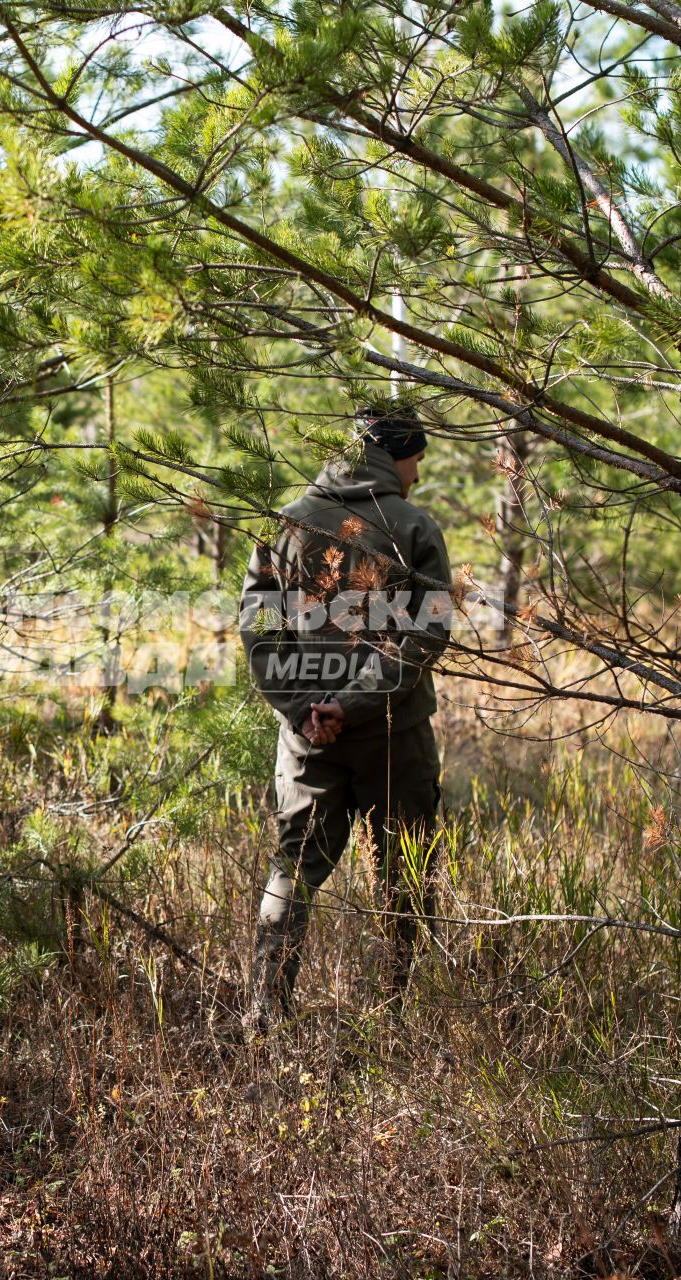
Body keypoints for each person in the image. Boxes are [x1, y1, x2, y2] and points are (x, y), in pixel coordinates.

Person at [237, 404, 454, 1033]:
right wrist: (351, 702)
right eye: (416, 457)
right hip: (396, 734)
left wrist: (305, 708)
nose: (417, 473)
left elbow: (259, 628)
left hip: (310, 743)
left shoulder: (289, 523)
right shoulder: (413, 526)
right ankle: (397, 1017)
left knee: (293, 871)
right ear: (395, 454)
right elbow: (428, 634)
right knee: (405, 878)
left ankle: (264, 1015)